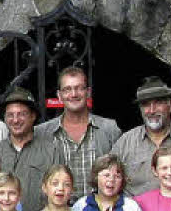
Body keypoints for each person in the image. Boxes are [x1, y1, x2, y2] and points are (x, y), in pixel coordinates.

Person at [35, 67, 122, 203]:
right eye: (67, 89)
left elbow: (119, 172)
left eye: (79, 88)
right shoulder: (42, 133)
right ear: (59, 95)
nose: (73, 94)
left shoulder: (109, 129)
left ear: (88, 92)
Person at [112, 76, 171, 195]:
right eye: (146, 105)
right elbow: (110, 184)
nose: (152, 110)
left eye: (158, 103)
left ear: (170, 106)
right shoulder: (125, 143)